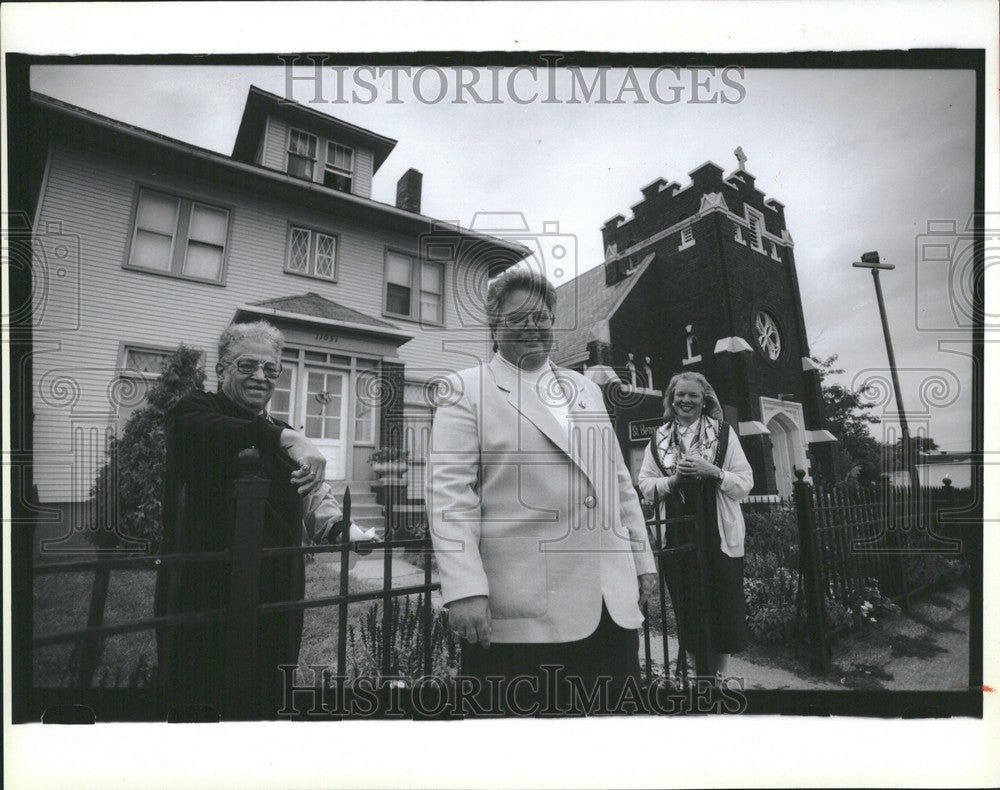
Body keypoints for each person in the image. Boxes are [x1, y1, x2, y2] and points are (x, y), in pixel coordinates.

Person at [426, 267, 657, 714]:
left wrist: (642, 561)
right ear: (494, 327)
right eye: (519, 318)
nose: (533, 325)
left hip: (611, 609)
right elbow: (450, 498)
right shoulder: (465, 391)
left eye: (542, 317)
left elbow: (618, 482)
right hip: (526, 621)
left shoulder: (586, 389)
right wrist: (464, 589)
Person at [154, 320, 373, 714]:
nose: (261, 376)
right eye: (247, 366)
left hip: (277, 591)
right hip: (201, 589)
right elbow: (193, 430)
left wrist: (343, 529)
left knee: (266, 700)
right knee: (195, 706)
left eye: (271, 369)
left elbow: (315, 498)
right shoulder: (196, 410)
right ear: (221, 369)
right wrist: (285, 437)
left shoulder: (279, 431)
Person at [637, 372, 753, 683]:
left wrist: (713, 471)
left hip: (717, 533)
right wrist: (673, 481)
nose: (686, 401)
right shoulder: (659, 438)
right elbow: (645, 484)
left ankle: (717, 679)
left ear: (704, 401)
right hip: (678, 532)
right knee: (688, 609)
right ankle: (701, 678)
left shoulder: (724, 434)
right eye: (680, 395)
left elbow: (745, 482)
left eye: (693, 396)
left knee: (722, 605)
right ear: (671, 400)